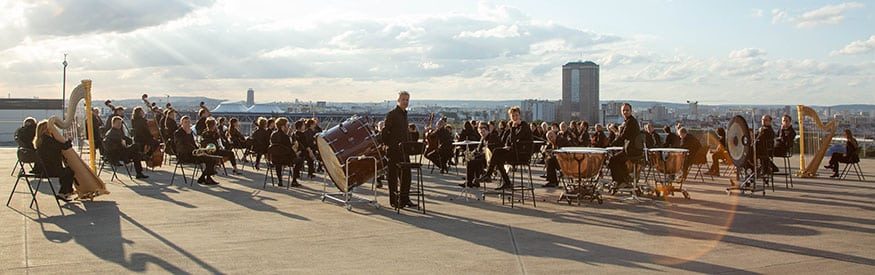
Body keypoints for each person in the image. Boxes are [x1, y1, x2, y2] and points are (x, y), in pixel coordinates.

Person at [476, 106, 533, 190]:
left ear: (520, 115)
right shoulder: (513, 126)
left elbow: (514, 139)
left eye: (516, 115)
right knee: (497, 158)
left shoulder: (523, 126)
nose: (515, 117)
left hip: (522, 154)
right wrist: (509, 129)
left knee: (496, 153)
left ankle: (489, 174)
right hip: (514, 152)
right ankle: (506, 182)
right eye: (513, 116)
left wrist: (513, 128)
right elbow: (508, 141)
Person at [382, 91, 415, 208]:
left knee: (406, 175)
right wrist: (387, 145)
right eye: (403, 100)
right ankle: (394, 200)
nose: (405, 102)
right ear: (398, 100)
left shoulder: (405, 114)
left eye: (407, 100)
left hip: (404, 150)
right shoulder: (392, 114)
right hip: (394, 149)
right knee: (393, 177)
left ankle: (404, 199)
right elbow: (385, 132)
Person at [33, 119, 76, 202]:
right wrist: (70, 139)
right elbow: (64, 146)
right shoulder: (48, 140)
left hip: (43, 169)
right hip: (49, 170)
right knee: (69, 171)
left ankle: (68, 192)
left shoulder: (40, 140)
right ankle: (63, 193)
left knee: (66, 171)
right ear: (46, 129)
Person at [174, 116, 219, 185]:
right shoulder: (178, 133)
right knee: (209, 160)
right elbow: (181, 145)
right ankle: (203, 178)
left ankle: (206, 178)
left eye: (189, 122)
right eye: (185, 122)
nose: (187, 124)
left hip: (192, 154)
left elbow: (193, 144)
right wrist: (187, 134)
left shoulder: (190, 132)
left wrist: (200, 150)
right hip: (184, 155)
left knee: (211, 158)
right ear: (181, 123)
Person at [608, 103, 643, 188]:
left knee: (612, 160)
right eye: (623, 110)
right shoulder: (629, 121)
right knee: (619, 160)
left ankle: (619, 181)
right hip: (632, 149)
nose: (625, 112)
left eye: (627, 110)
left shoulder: (630, 122)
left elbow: (622, 137)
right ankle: (625, 179)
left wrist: (610, 145)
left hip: (632, 151)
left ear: (631, 111)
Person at [461, 121, 502, 187]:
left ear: (487, 130)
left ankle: (470, 181)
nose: (481, 131)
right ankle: (474, 181)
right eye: (480, 129)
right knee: (472, 160)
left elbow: (491, 151)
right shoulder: (482, 138)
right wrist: (471, 153)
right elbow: (478, 150)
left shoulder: (492, 137)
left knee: (473, 162)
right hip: (483, 159)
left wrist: (478, 154)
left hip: (491, 161)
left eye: (483, 129)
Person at [269, 118, 302, 187]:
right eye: (287, 125)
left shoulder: (273, 135)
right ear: (283, 126)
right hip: (286, 159)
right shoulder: (286, 137)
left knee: (278, 162)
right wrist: (296, 154)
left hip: (274, 159)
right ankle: (294, 180)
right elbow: (289, 149)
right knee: (299, 160)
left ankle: (280, 180)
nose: (288, 127)